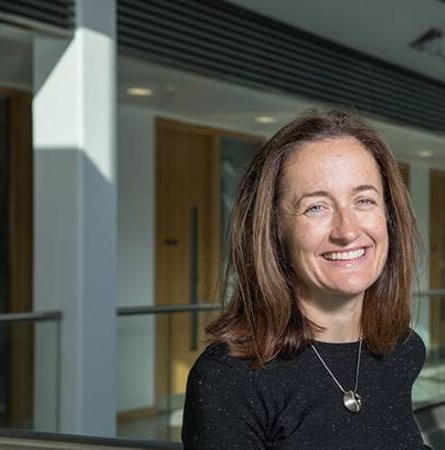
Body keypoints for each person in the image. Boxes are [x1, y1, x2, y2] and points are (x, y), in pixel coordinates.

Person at [181, 110, 428, 449]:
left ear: (389, 216)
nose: (347, 231)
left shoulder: (402, 351)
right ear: (274, 229)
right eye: (316, 207)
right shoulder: (229, 379)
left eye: (364, 200)